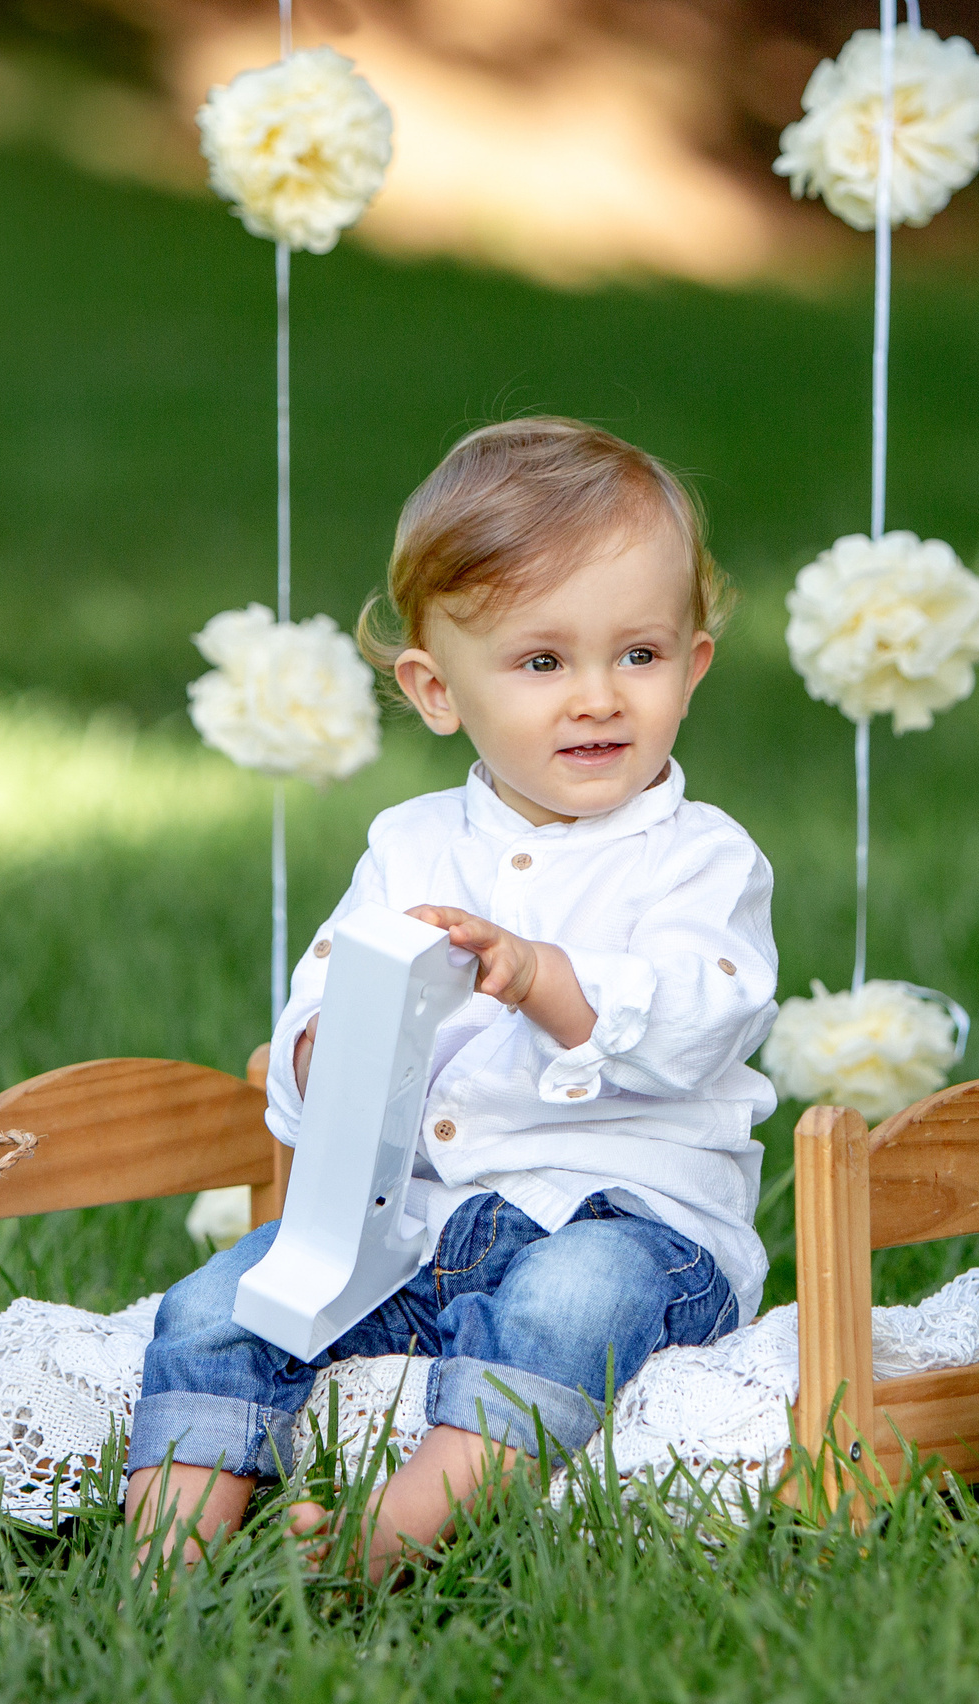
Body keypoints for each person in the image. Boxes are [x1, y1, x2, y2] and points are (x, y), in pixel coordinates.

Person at [124, 418, 778, 1575]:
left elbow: (701, 1017)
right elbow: (316, 1017)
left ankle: (381, 1548)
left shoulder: (700, 858)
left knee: (567, 1304)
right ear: (435, 690)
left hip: (635, 1225)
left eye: (638, 655)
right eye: (542, 662)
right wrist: (329, 1052)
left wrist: (540, 977)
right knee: (229, 1300)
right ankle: (165, 1563)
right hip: (413, 1225)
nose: (597, 698)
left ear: (695, 664)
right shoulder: (409, 848)